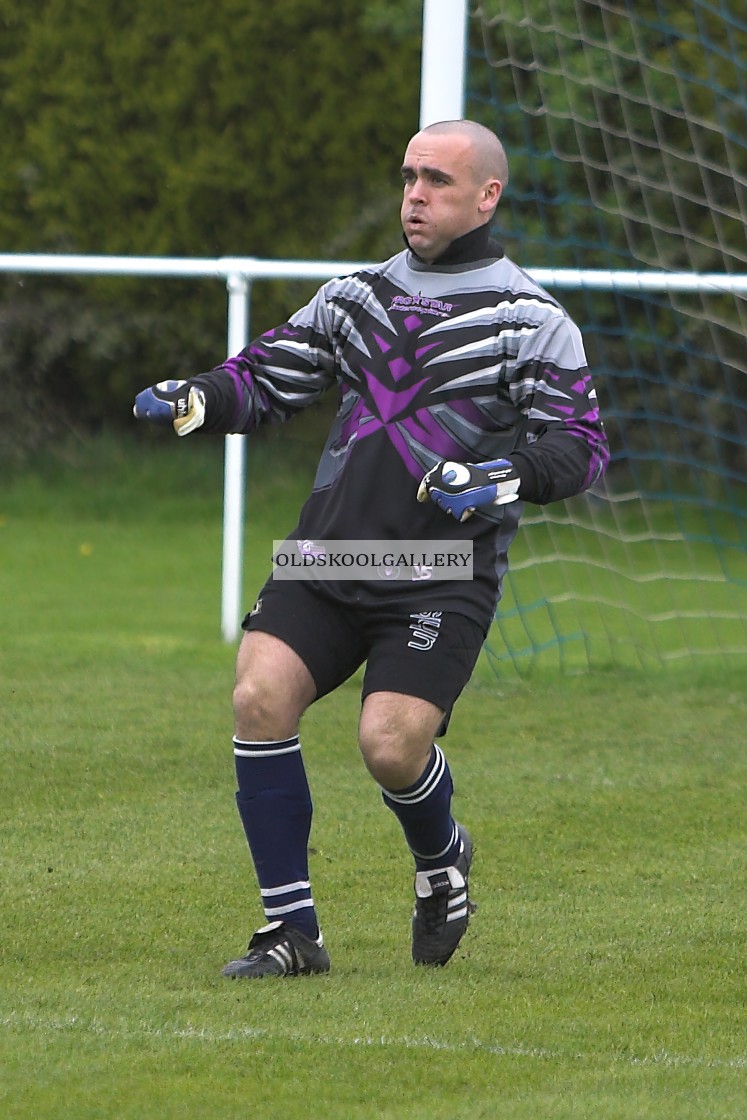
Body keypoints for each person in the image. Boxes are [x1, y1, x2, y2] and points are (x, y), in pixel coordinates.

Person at [134, 119, 609, 978]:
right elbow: (266, 376)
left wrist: (496, 479)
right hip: (332, 556)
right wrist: (196, 397)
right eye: (407, 177)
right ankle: (290, 934)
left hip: (439, 574)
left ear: (486, 197)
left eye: (436, 180)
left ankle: (441, 863)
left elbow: (577, 447)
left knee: (389, 746)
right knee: (257, 696)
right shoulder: (356, 296)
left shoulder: (530, 319)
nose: (415, 195)